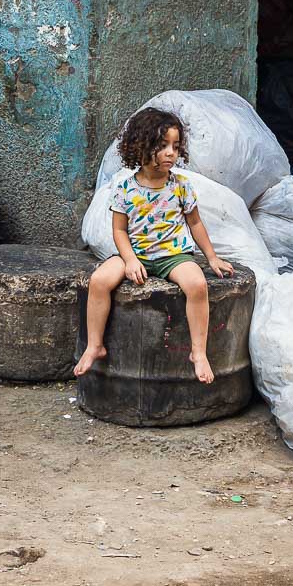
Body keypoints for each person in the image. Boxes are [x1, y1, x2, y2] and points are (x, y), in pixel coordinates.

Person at [74, 108, 235, 384]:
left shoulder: (181, 187)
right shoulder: (125, 189)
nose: (171, 153)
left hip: (173, 255)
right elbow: (119, 230)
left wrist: (211, 257)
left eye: (175, 146)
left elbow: (195, 224)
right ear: (142, 146)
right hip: (134, 253)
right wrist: (130, 260)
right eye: (162, 146)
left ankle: (198, 352)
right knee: (99, 281)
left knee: (197, 285)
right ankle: (94, 345)